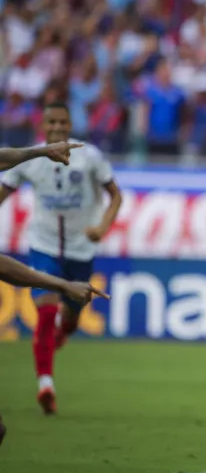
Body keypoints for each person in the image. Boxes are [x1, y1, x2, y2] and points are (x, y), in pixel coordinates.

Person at [0, 102, 122, 416]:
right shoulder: (32, 159)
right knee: (45, 309)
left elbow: (115, 195)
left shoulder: (90, 156)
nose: (56, 128)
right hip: (43, 245)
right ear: (44, 124)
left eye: (62, 122)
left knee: (71, 318)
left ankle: (63, 333)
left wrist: (103, 226)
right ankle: (45, 384)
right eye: (51, 122)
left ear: (70, 124)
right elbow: (4, 190)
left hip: (82, 249)